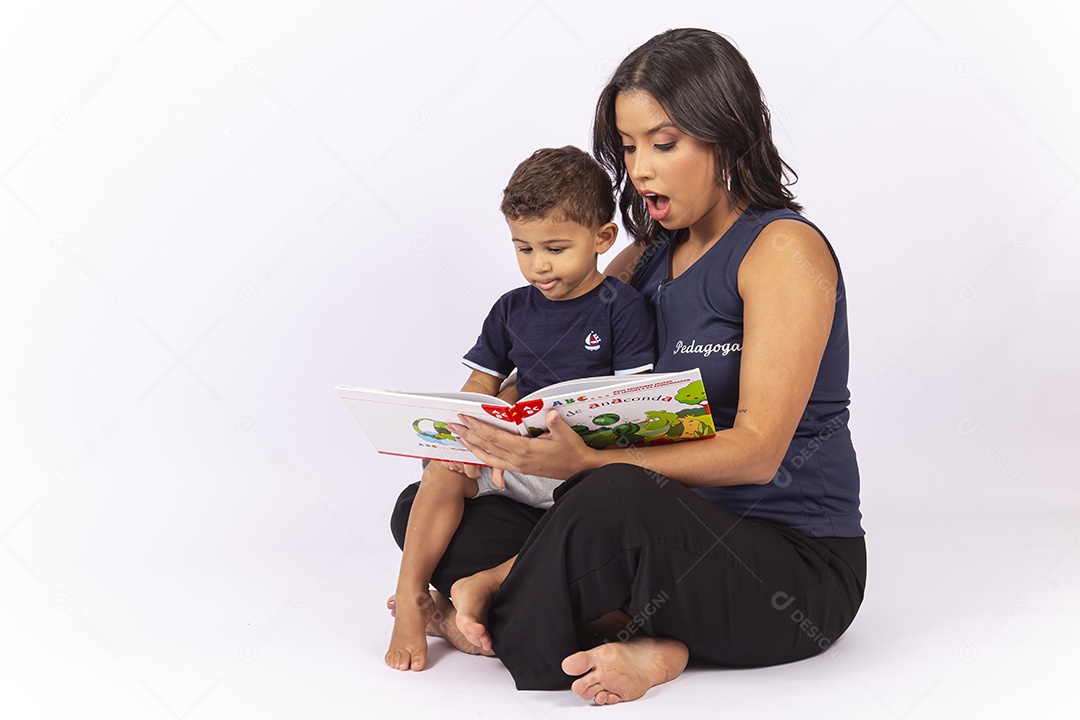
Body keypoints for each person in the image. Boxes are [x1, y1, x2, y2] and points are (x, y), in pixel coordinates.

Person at [391, 27, 867, 705]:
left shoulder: (782, 250)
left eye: (663, 143)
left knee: (611, 496)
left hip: (788, 565)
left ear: (724, 136)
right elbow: (551, 375)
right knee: (425, 511)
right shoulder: (641, 259)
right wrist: (490, 439)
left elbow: (759, 452)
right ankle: (627, 627)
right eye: (629, 145)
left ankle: (575, 619)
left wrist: (585, 464)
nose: (639, 169)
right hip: (647, 533)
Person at [385, 146, 657, 671]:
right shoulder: (511, 308)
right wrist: (463, 443)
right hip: (514, 463)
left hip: (580, 474)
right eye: (524, 249)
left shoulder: (622, 309)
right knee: (439, 474)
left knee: (596, 522)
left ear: (603, 238)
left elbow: (632, 411)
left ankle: (484, 593)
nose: (540, 266)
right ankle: (413, 598)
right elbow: (479, 389)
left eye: (556, 248)